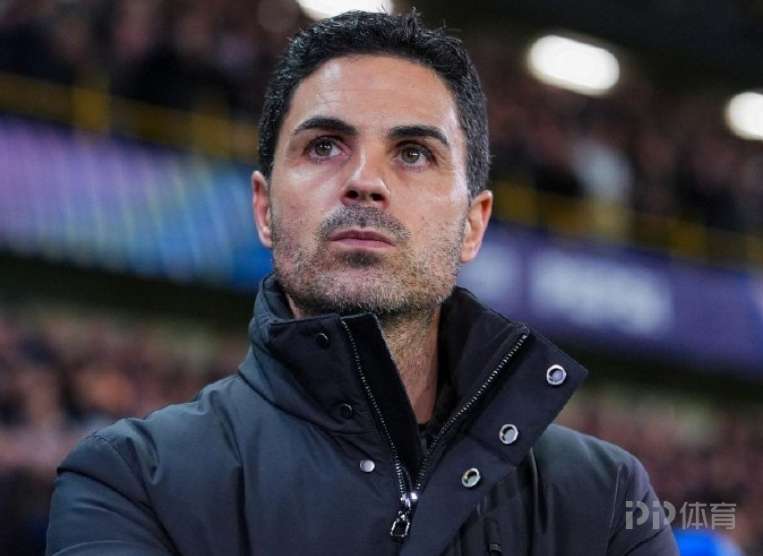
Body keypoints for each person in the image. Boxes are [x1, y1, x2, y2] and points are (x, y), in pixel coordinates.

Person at [45, 10, 678, 556]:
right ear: (264, 209)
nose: (365, 181)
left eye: (413, 153)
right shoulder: (130, 482)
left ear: (472, 224)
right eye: (324, 146)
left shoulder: (605, 499)